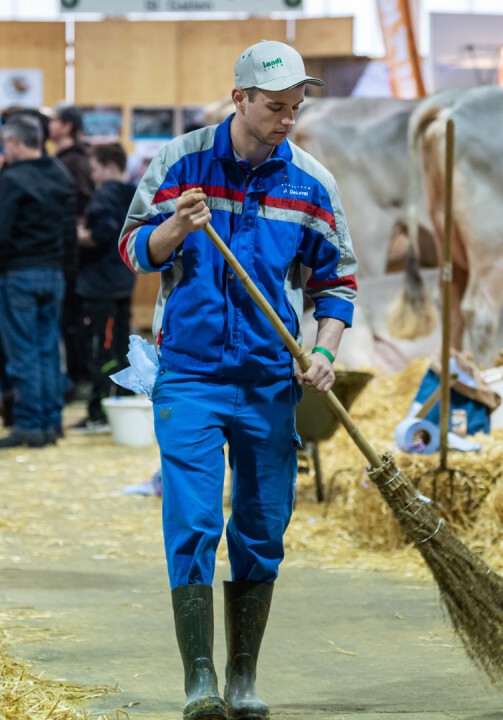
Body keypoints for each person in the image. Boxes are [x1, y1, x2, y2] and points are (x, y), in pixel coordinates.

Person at [119, 41, 356, 720]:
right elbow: (133, 248)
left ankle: (243, 676)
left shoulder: (312, 183)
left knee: (261, 525)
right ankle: (199, 680)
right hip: (189, 376)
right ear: (240, 99)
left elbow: (336, 283)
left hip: (268, 380)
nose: (287, 119)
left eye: (295, 107)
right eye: (275, 107)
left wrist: (326, 352)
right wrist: (172, 228)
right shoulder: (181, 162)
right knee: (192, 520)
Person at [0, 116, 77, 449]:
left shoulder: (11, 179)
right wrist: (66, 271)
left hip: (18, 272)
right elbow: (69, 231)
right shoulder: (58, 173)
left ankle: (29, 425)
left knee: (23, 352)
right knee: (49, 350)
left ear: (14, 142)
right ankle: (51, 423)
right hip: (53, 272)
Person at [70, 142, 137, 433]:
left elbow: (101, 233)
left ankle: (98, 410)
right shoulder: (132, 193)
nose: (93, 175)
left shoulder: (106, 194)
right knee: (119, 347)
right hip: (122, 280)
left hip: (102, 286)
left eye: (95, 169)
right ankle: (119, 402)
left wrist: (75, 235)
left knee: (102, 349)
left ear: (109, 167)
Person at [51, 104, 95, 398]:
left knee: (73, 318)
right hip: (64, 248)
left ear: (67, 126)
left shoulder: (75, 161)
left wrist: (74, 229)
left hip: (75, 254)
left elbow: (84, 203)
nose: (49, 125)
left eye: (54, 121)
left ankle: (81, 377)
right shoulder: (62, 160)